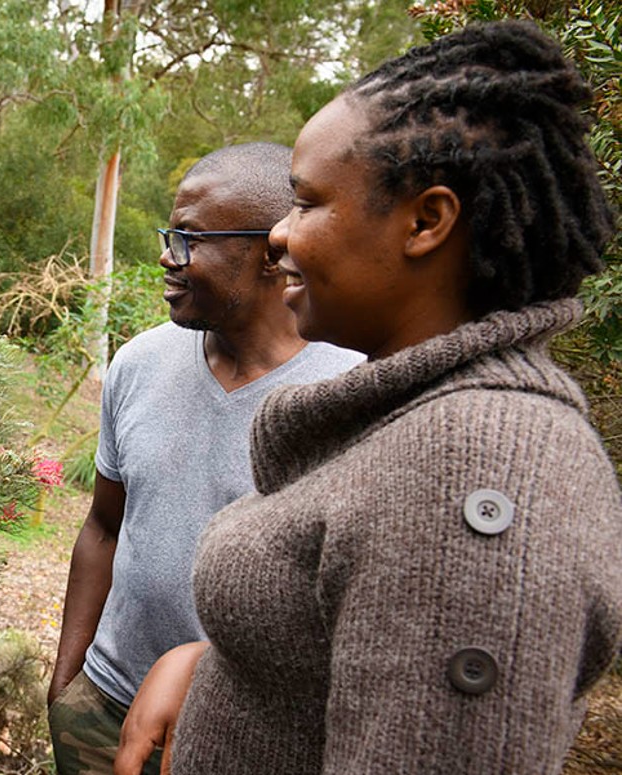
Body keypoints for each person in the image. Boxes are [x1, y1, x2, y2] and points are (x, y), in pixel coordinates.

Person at [128, 20, 622, 775]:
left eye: (306, 203)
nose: (279, 237)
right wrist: (213, 662)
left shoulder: (477, 468)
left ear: (426, 221)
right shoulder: (420, 420)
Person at [47, 143, 363, 775]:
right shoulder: (139, 362)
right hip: (102, 711)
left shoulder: (351, 392)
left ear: (273, 251)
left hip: (249, 738)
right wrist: (68, 680)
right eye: (171, 236)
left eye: (189, 240)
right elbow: (105, 525)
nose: (168, 257)